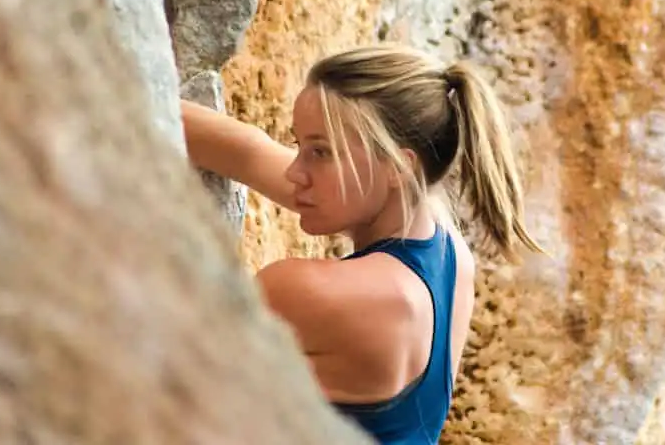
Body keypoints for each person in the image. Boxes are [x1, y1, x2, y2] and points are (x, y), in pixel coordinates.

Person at [179, 45, 544, 444]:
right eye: (299, 146)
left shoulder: (317, 293)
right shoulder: (450, 254)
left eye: (320, 152)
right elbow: (251, 153)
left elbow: (163, 365)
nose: (296, 172)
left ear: (399, 167)